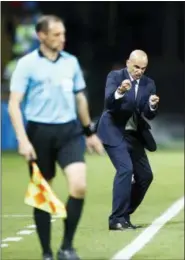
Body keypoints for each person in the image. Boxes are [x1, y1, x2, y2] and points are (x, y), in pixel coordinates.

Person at [8, 15, 104, 260]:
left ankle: (67, 247)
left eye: (63, 34)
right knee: (43, 193)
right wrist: (22, 139)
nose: (62, 39)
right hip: (39, 133)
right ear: (41, 36)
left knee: (79, 186)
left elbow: (80, 98)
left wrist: (89, 132)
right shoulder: (27, 64)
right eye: (56, 35)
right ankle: (47, 252)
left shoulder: (71, 62)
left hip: (69, 132)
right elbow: (14, 105)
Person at [97, 50, 160, 231]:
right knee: (125, 170)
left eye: (143, 68)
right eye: (136, 67)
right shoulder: (115, 77)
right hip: (113, 131)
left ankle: (124, 214)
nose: (140, 71)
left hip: (133, 135)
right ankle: (116, 219)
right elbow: (109, 104)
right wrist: (119, 92)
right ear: (128, 63)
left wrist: (152, 105)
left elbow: (148, 114)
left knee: (146, 176)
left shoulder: (149, 84)